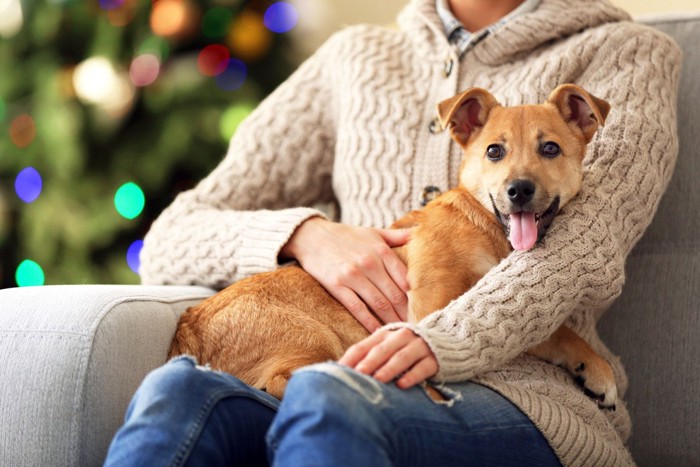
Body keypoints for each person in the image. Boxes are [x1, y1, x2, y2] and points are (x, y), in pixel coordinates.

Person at [104, 0, 681, 465]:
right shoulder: (354, 56)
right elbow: (170, 238)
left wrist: (438, 339)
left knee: (328, 397)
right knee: (173, 392)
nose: (518, 174)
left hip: (527, 398)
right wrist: (307, 234)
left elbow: (583, 250)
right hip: (319, 373)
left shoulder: (625, 53)